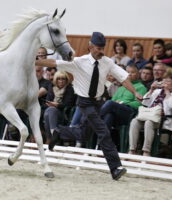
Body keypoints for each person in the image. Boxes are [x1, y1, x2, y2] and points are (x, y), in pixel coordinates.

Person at [36, 32, 143, 180]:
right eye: (98, 48)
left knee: (84, 135)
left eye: (102, 48)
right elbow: (54, 63)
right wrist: (34, 61)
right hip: (85, 102)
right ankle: (115, 168)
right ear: (90, 47)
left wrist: (135, 92)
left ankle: (58, 132)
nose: (101, 51)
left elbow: (123, 77)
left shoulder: (107, 62)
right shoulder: (79, 62)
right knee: (103, 131)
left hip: (98, 102)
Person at [129, 71, 172, 156]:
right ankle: (132, 149)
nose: (166, 83)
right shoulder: (157, 91)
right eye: (164, 81)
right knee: (134, 121)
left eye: (168, 81)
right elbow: (144, 103)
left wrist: (167, 91)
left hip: (163, 119)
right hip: (149, 115)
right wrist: (151, 90)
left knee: (149, 123)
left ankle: (146, 151)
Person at [100, 64, 147, 146]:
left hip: (130, 113)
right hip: (117, 113)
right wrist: (116, 103)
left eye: (132, 72)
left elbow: (138, 104)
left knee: (109, 104)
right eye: (127, 72)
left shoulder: (141, 87)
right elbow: (113, 100)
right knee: (108, 116)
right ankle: (102, 147)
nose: (129, 74)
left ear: (138, 74)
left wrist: (122, 103)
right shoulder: (121, 87)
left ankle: (94, 118)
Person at [43, 71, 76, 143]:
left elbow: (68, 104)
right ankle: (53, 134)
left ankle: (49, 138)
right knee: (49, 112)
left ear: (66, 80)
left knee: (50, 111)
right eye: (58, 79)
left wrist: (57, 105)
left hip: (63, 113)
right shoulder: (52, 88)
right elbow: (47, 101)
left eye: (63, 79)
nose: (61, 81)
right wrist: (49, 104)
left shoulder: (69, 89)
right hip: (49, 111)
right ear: (55, 80)